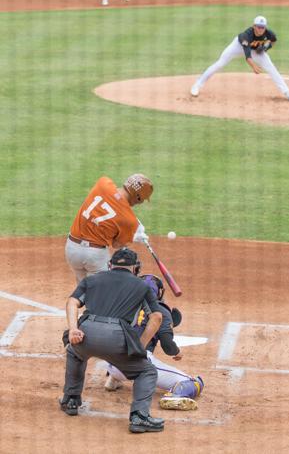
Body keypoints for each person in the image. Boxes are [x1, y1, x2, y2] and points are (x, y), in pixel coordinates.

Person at [60, 247, 165, 433]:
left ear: (110, 265)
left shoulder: (91, 279)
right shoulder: (142, 286)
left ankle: (71, 400)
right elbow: (156, 317)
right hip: (117, 338)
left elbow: (72, 302)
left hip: (87, 334)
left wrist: (74, 329)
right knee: (146, 371)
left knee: (74, 352)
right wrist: (140, 346)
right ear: (135, 268)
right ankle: (140, 417)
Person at [105, 274, 204, 411]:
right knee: (193, 383)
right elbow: (167, 345)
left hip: (111, 361)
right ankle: (175, 396)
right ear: (158, 292)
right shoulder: (160, 310)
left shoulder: (121, 303)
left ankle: (114, 378)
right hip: (136, 364)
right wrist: (177, 351)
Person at [65, 173, 152, 283]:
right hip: (94, 257)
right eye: (142, 199)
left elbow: (112, 201)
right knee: (103, 291)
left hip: (71, 249)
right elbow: (116, 245)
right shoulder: (130, 220)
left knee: (82, 289)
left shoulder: (103, 183)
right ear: (138, 198)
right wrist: (133, 235)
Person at [191, 15, 289, 102]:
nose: (261, 29)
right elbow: (247, 55)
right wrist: (254, 66)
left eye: (262, 27)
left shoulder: (268, 33)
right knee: (220, 63)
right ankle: (197, 85)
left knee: (271, 68)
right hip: (237, 47)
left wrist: (266, 47)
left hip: (255, 50)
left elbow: (274, 40)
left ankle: (287, 92)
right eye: (258, 26)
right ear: (254, 26)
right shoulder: (246, 35)